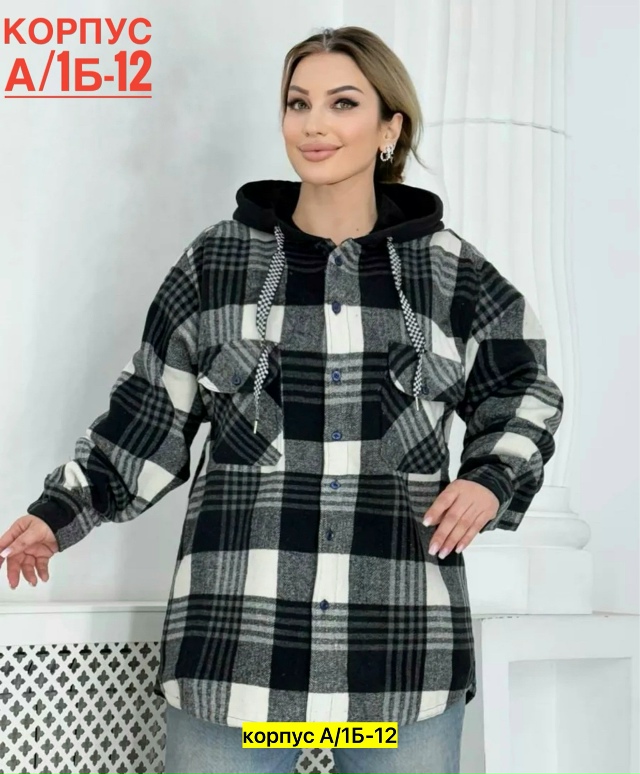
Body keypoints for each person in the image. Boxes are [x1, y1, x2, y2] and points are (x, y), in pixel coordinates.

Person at [0, 25, 564, 774]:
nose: (314, 124)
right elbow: (149, 415)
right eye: (298, 103)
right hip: (236, 656)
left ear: (389, 128)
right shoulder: (217, 261)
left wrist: (490, 478)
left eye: (343, 103)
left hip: (397, 657)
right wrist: (58, 513)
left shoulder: (449, 270)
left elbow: (524, 384)